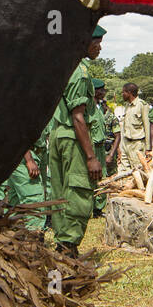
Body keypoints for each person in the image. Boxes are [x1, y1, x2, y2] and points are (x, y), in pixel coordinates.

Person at [47, 25, 105, 254]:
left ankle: (62, 243)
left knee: (60, 191)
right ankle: (69, 246)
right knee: (79, 190)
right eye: (95, 42)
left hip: (59, 135)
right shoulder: (80, 73)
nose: (99, 47)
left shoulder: (64, 67)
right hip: (73, 137)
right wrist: (91, 157)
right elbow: (78, 116)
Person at [0, 118, 52, 230]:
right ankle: (34, 236)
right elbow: (15, 128)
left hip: (37, 152)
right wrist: (28, 159)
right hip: (24, 155)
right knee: (33, 199)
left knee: (14, 201)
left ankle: (14, 233)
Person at [112, 82, 151, 174]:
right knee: (123, 170)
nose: (122, 95)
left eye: (123, 92)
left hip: (137, 144)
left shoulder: (142, 105)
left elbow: (147, 126)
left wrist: (148, 148)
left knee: (138, 171)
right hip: (126, 143)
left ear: (129, 93)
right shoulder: (127, 106)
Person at [90, 78, 113, 216]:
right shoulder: (89, 106)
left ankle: (98, 208)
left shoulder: (99, 107)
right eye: (101, 90)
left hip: (101, 147)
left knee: (102, 176)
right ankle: (90, 207)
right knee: (91, 177)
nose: (104, 92)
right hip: (92, 146)